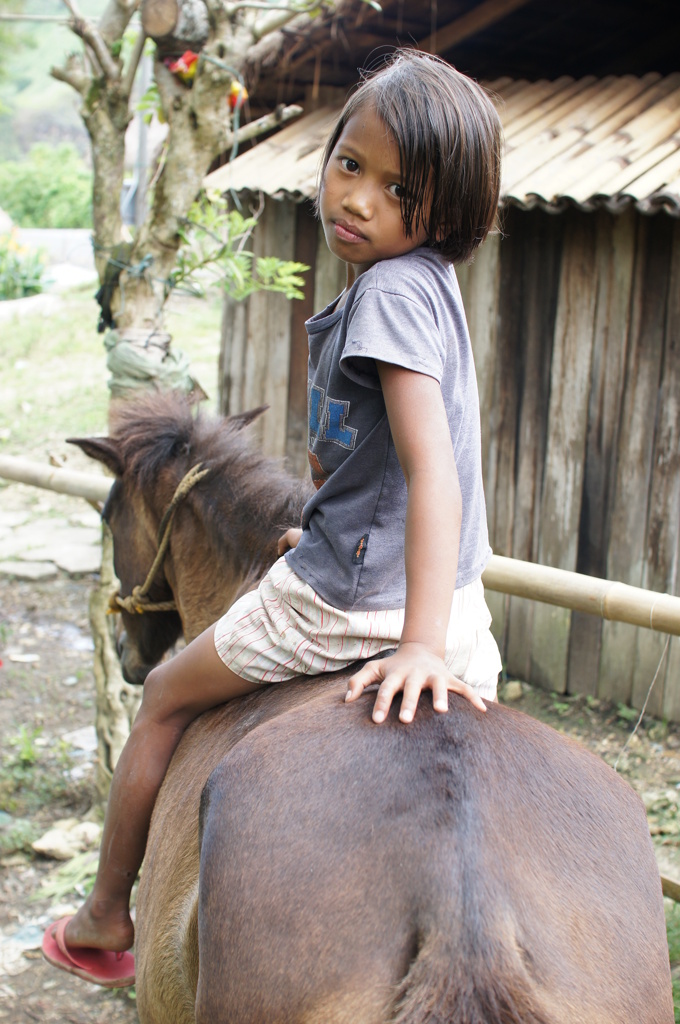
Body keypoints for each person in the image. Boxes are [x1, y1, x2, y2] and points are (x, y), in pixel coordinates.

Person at [42, 48, 503, 985]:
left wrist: (411, 643)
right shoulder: (423, 286)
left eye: (399, 190)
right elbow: (381, 470)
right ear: (327, 153)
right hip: (459, 603)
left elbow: (431, 465)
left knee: (166, 694)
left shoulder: (386, 300)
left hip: (358, 606)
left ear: (447, 214)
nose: (360, 199)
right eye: (349, 164)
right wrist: (334, 531)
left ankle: (100, 918)